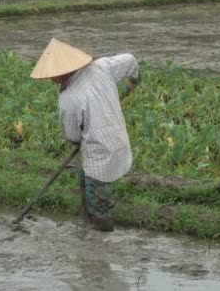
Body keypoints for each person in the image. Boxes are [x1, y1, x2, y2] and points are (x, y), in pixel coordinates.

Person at [30, 38, 140, 232]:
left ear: (64, 71)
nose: (50, 78)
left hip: (100, 150)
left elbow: (72, 136)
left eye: (52, 74)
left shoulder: (69, 99)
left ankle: (100, 232)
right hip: (119, 138)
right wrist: (134, 82)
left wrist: (81, 135)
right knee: (85, 175)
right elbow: (130, 60)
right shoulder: (102, 67)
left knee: (97, 190)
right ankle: (86, 217)